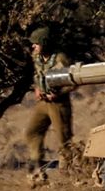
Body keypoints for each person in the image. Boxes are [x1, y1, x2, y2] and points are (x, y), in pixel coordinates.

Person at [22, 27, 73, 179]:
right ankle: (37, 167)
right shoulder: (36, 57)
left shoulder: (60, 59)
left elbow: (72, 82)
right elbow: (37, 75)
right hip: (43, 103)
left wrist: (57, 94)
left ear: (45, 43)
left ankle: (69, 173)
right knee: (32, 132)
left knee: (64, 141)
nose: (33, 46)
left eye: (36, 43)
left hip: (59, 105)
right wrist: (37, 88)